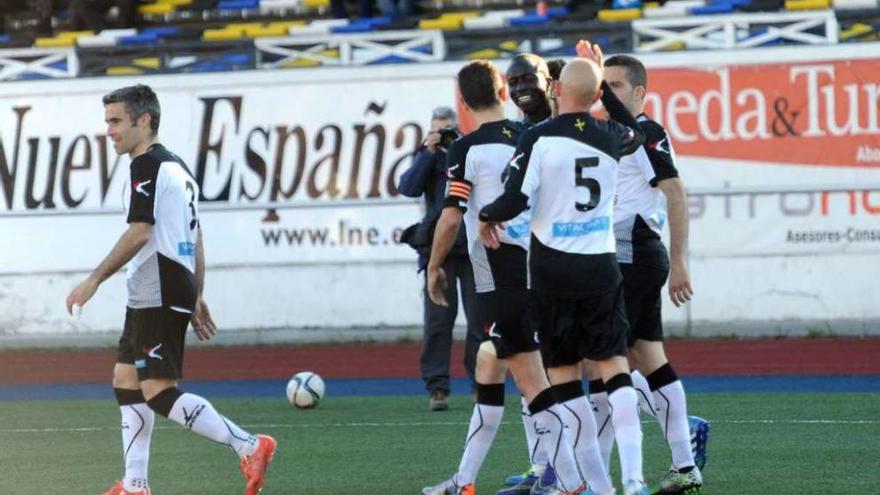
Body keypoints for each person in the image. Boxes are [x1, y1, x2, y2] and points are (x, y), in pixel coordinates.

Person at [65, 85, 276, 495]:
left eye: (115, 121)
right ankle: (135, 484)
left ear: (144, 121)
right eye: (106, 121)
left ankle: (249, 444)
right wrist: (196, 292)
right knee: (126, 381)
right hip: (162, 285)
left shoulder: (146, 164)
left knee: (158, 392)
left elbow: (140, 233)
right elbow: (195, 235)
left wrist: (93, 280)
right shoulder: (176, 166)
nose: (108, 130)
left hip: (158, 286)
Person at [479, 46, 650, 495]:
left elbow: (515, 199)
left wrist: (486, 217)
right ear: (597, 95)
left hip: (553, 271)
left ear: (555, 89)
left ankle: (599, 488)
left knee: (566, 381)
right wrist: (601, 94)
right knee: (615, 370)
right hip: (600, 268)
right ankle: (633, 479)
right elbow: (634, 128)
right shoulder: (612, 133)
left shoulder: (537, 137)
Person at [421, 60, 588, 495]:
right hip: (548, 262)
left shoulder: (467, 150)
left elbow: (451, 218)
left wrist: (435, 266)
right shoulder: (533, 135)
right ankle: (465, 480)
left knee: (534, 381)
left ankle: (571, 482)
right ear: (501, 90)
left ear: (462, 100)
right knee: (489, 363)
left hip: (501, 270)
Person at [583, 54, 707, 494]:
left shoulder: (647, 133)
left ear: (640, 93)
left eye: (614, 86)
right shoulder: (607, 137)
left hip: (632, 254)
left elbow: (675, 191)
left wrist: (680, 262)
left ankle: (594, 473)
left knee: (604, 363)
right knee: (640, 357)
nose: (607, 94)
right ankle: (683, 458)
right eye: (604, 85)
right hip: (617, 256)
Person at [399, 106, 483, 411]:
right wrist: (427, 151)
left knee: (479, 321)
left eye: (449, 130)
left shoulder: (469, 150)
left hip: (472, 246)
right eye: (439, 130)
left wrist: (457, 146)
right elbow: (407, 187)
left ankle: (480, 385)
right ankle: (437, 390)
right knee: (437, 323)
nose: (445, 136)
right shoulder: (428, 156)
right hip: (439, 246)